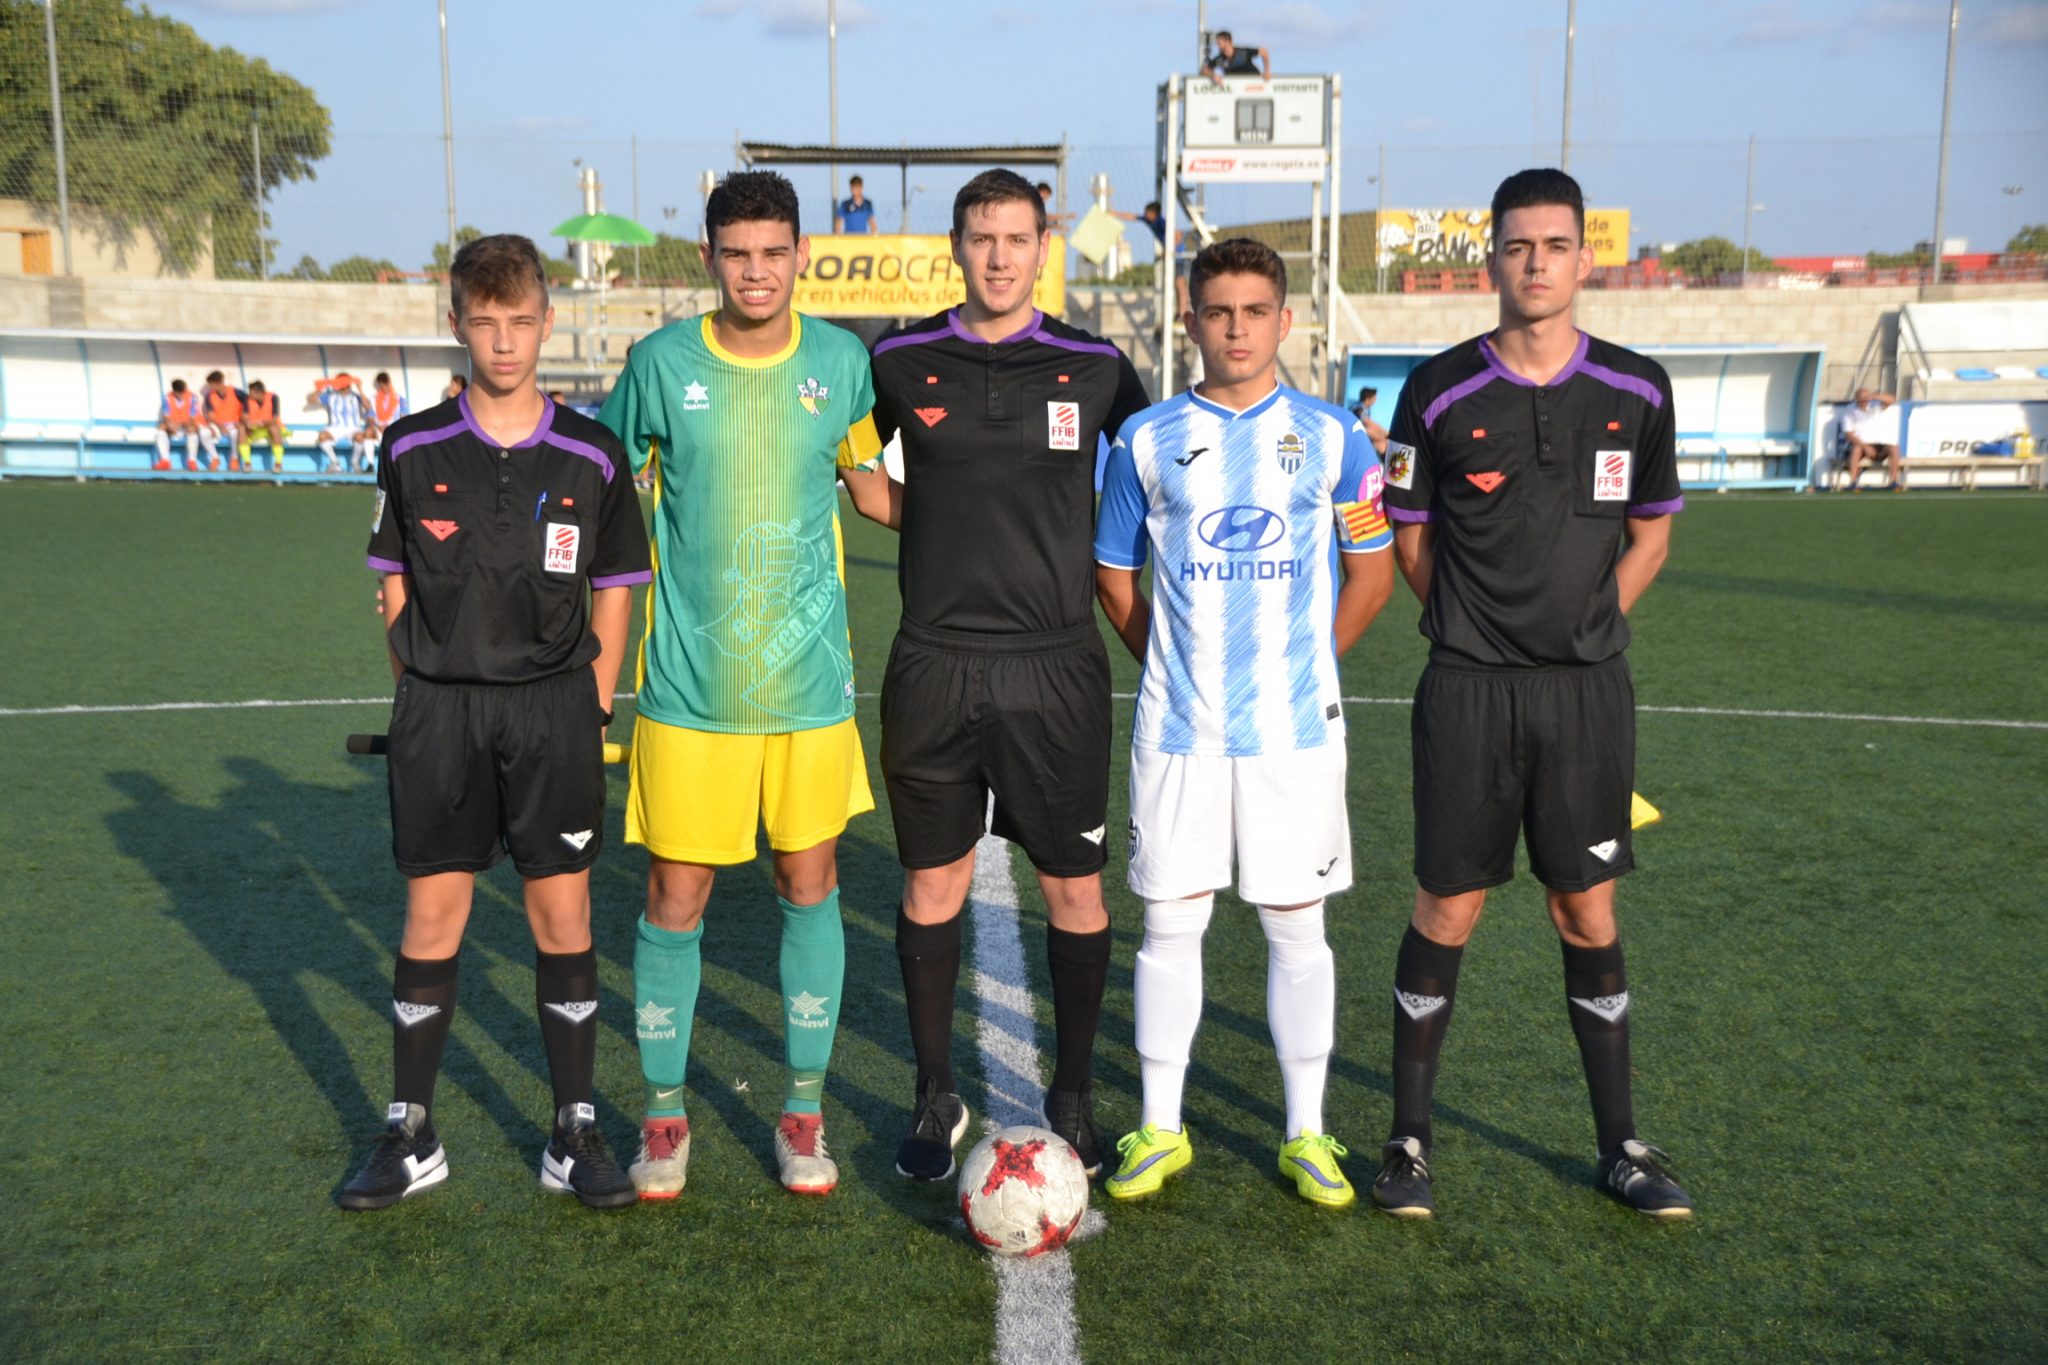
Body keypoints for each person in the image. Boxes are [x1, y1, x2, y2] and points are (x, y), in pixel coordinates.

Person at [1374, 167, 1693, 1220]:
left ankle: (1621, 1146)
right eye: (1517, 246)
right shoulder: (1437, 389)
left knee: (1585, 906)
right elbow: (1410, 540)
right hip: (1467, 691)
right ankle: (1407, 1143)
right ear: (1492, 261)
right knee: (1446, 905)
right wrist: (1479, 630)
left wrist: (1587, 624)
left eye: (1554, 245)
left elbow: (1650, 534)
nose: (1536, 263)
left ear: (1582, 258)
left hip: (1585, 696)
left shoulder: (1638, 389)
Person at [344, 232, 653, 1212]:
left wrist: (592, 699)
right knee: (433, 913)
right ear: (457, 324)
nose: (505, 341)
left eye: (521, 321)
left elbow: (616, 585)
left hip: (554, 709)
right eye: (485, 322)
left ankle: (573, 1130)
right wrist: (418, 685)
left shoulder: (592, 452)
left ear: (547, 322)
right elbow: (391, 580)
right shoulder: (411, 445)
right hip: (442, 712)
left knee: (561, 913)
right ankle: (410, 1133)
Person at [598, 170, 890, 1200]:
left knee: (810, 886)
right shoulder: (659, 363)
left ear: (801, 254)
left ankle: (802, 1112)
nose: (756, 271)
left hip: (808, 692)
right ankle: (663, 1117)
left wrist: (1009, 503)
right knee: (674, 897)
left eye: (773, 252)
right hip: (690, 691)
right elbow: (598, 494)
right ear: (709, 258)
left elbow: (873, 492)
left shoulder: (842, 364)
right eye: (737, 254)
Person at [856, 169, 1152, 1182]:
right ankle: (934, 1094)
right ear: (955, 246)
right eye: (980, 238)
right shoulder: (897, 359)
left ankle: (1071, 1098)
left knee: (1073, 887)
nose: (997, 256)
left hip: (1054, 665)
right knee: (931, 880)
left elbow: (1156, 470)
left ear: (1042, 248)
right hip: (934, 660)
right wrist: (934, 517)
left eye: (1016, 238)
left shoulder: (1097, 366)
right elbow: (861, 475)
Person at [1094, 237, 1396, 1208]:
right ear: (1189, 319)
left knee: (1296, 929)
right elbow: (1113, 574)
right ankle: (1161, 1126)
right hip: (1179, 729)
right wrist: (1169, 664)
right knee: (1168, 925)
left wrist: (1306, 665)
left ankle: (1306, 1132)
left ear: (1285, 320)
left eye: (1255, 311)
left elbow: (1373, 573)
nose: (1236, 328)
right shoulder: (1143, 441)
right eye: (1217, 311)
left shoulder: (1336, 439)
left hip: (1293, 732)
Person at [308, 372, 371, 474]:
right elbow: (311, 400)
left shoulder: (356, 396)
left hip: (353, 427)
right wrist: (320, 388)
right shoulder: (331, 396)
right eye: (343, 384)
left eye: (348, 384)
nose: (346, 387)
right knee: (322, 436)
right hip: (335, 427)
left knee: (360, 437)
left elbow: (368, 407)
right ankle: (334, 462)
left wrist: (360, 389)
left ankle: (355, 462)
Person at [1842, 388, 1903, 492]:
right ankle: (1853, 483)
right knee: (1856, 449)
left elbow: (1892, 399)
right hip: (1862, 445)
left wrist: (1874, 396)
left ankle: (1893, 482)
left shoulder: (1875, 407)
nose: (1864, 401)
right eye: (1862, 399)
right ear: (1856, 399)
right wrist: (1865, 447)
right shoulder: (1849, 411)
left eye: (1866, 399)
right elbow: (1849, 434)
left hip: (1879, 444)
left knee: (1894, 448)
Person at [154, 378, 204, 472]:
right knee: (161, 428)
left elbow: (193, 418)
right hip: (174, 425)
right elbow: (166, 415)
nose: (182, 394)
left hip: (187, 425)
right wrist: (170, 425)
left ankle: (192, 461)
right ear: (174, 391)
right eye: (179, 393)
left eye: (183, 392)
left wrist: (179, 424)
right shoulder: (167, 397)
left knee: (192, 429)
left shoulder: (192, 397)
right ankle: (165, 460)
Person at [240, 380, 289, 473]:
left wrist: (262, 423)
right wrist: (248, 424)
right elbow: (244, 417)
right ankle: (247, 464)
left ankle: (278, 464)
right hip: (255, 428)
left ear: (258, 392)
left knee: (274, 429)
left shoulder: (273, 397)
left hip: (270, 426)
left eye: (251, 392)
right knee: (242, 429)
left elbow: (275, 418)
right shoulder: (248, 400)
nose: (250, 394)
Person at [201, 370, 245, 472]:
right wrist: (220, 426)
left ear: (218, 383)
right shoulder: (209, 396)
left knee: (235, 433)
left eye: (211, 384)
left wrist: (241, 422)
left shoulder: (237, 392)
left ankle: (234, 459)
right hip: (218, 424)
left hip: (234, 424)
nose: (210, 387)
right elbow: (210, 415)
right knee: (204, 433)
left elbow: (248, 407)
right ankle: (215, 458)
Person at [361, 371, 407, 470]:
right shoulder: (373, 399)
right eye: (382, 385)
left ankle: (393, 466)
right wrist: (377, 426)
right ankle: (370, 464)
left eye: (386, 384)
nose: (385, 387)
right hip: (378, 428)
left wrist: (390, 427)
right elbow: (371, 418)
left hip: (393, 428)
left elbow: (403, 419)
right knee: (368, 432)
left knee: (396, 435)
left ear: (389, 382)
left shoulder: (400, 399)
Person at [1206, 30, 1270, 82]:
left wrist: (1267, 71)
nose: (1217, 45)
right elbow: (1205, 70)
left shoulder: (1242, 52)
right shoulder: (1220, 59)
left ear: (1227, 41)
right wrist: (1213, 75)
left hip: (1254, 84)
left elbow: (1264, 52)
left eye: (1219, 43)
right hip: (1237, 88)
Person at [1351, 386, 1390, 456]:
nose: (1375, 401)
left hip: (1360, 436)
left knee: (1383, 444)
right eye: (1374, 398)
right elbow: (1368, 423)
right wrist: (1386, 434)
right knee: (1370, 431)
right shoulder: (1358, 408)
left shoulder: (1365, 408)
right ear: (1368, 398)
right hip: (1354, 436)